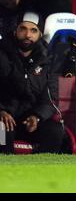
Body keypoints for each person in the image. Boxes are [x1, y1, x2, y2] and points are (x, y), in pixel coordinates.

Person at [0, 11, 65, 154]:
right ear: (15, 31)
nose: (28, 35)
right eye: (23, 29)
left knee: (55, 132)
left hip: (30, 119)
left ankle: (43, 173)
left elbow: (51, 98)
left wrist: (37, 116)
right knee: (1, 133)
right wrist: (2, 111)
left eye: (33, 30)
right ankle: (5, 172)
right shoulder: (2, 53)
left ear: (40, 34)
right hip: (4, 118)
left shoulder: (48, 59)